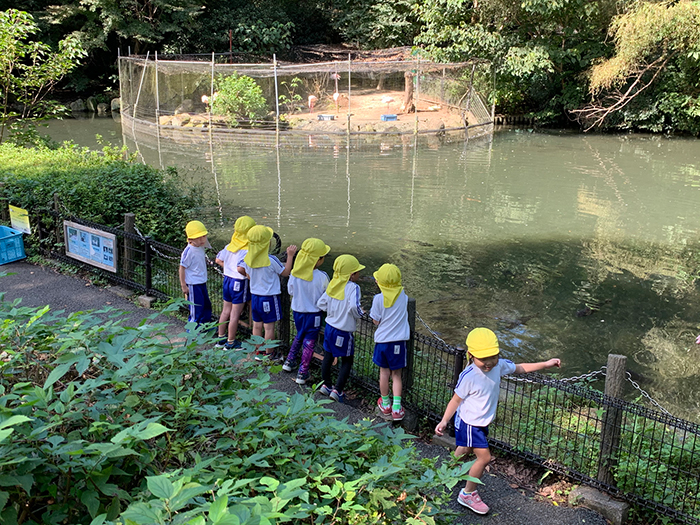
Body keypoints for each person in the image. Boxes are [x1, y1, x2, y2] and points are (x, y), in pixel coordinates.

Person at [435, 327, 561, 515]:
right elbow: (455, 400)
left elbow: (520, 368)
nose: (489, 362)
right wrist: (445, 420)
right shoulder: (469, 376)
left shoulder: (498, 366)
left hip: (481, 422)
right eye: (483, 358)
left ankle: (448, 472)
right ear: (471, 355)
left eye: (493, 357)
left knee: (466, 448)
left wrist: (545, 364)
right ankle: (467, 494)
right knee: (484, 458)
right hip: (470, 423)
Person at [237, 225, 297, 360]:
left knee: (257, 326)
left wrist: (253, 278)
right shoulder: (271, 260)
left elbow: (244, 272)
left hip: (255, 297)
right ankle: (269, 353)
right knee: (269, 328)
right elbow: (285, 272)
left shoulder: (248, 259)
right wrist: (290, 256)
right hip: (269, 298)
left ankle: (258, 352)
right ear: (267, 243)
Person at [316, 254, 365, 403]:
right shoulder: (353, 287)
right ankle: (338, 390)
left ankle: (326, 385)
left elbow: (321, 303)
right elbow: (354, 307)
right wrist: (360, 314)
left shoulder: (333, 284)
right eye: (357, 272)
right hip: (344, 330)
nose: (358, 274)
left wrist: (332, 311)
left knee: (328, 356)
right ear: (351, 275)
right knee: (347, 360)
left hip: (329, 327)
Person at [283, 238, 331, 384]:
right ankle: (303, 372)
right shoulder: (322, 276)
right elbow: (327, 295)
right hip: (313, 314)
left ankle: (289, 361)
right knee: (309, 341)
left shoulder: (295, 273)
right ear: (318, 260)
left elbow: (290, 291)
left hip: (297, 311)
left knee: (299, 334)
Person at [371, 263, 410, 421]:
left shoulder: (378, 299)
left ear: (379, 283)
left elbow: (375, 320)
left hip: (382, 342)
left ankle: (385, 404)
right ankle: (397, 408)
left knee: (384, 373)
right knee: (397, 375)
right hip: (398, 343)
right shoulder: (404, 297)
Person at [214, 216, 256, 350]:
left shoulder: (229, 247)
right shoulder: (247, 250)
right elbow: (240, 268)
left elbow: (218, 260)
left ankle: (221, 338)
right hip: (239, 282)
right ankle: (231, 342)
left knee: (225, 310)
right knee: (235, 313)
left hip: (227, 280)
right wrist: (250, 277)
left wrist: (228, 268)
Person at [179, 220, 213, 328]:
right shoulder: (189, 251)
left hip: (202, 281)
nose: (202, 240)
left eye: (203, 236)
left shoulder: (200, 247)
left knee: (206, 304)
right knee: (196, 307)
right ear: (190, 239)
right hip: (193, 283)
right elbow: (182, 268)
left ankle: (205, 325)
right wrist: (183, 285)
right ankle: (193, 327)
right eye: (198, 238)